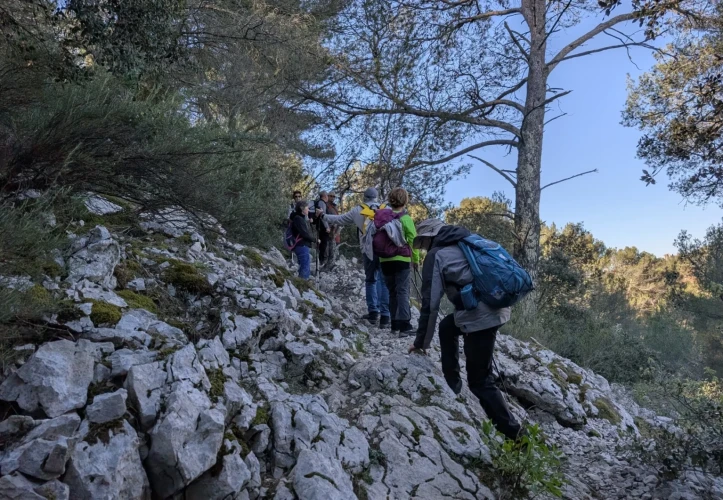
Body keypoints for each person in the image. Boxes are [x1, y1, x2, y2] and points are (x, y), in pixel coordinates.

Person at [409, 219, 523, 441]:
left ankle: (516, 436)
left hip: (481, 314)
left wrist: (420, 342)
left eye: (422, 244)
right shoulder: (469, 241)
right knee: (447, 327)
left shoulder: (436, 255)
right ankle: (453, 383)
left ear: (429, 238)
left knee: (480, 381)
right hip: (497, 305)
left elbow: (430, 304)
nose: (423, 249)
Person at [320, 187, 390, 328]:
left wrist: (323, 216)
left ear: (365, 197)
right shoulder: (386, 209)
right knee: (384, 281)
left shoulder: (358, 210)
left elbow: (339, 219)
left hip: (368, 250)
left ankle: (373, 313)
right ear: (376, 197)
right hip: (385, 250)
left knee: (370, 280)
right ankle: (385, 316)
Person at [378, 187, 419, 335]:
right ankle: (405, 326)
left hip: (384, 259)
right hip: (401, 259)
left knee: (392, 292)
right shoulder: (405, 218)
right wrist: (416, 259)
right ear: (405, 201)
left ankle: (394, 325)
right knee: (403, 291)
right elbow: (413, 240)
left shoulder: (382, 217)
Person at [289, 201, 318, 279]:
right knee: (305, 266)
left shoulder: (300, 218)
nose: (308, 210)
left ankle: (301, 283)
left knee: (303, 265)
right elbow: (304, 234)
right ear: (302, 209)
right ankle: (303, 283)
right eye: (307, 208)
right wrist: (315, 240)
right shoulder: (298, 219)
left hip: (301, 245)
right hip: (302, 245)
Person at [313, 191, 332, 268]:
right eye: (327, 195)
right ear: (324, 196)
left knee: (323, 244)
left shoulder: (320, 202)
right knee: (323, 244)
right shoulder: (322, 203)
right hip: (322, 227)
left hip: (321, 226)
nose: (328, 197)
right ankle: (321, 261)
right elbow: (322, 216)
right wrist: (327, 226)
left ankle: (321, 260)